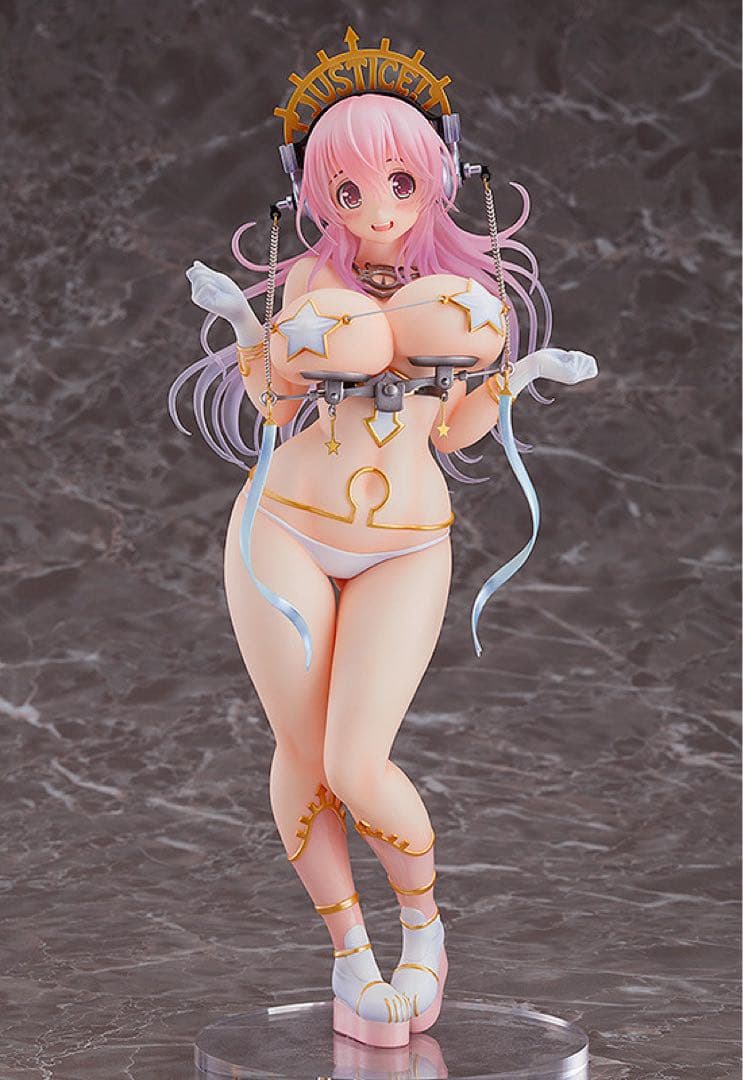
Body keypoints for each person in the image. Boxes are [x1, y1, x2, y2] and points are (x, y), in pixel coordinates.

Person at [170, 53, 597, 1049]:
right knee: (301, 752)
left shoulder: (462, 295)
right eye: (348, 189)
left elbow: (452, 431)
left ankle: (423, 928)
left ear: (437, 178)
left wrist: (525, 369)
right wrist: (238, 318)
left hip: (404, 544)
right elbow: (273, 403)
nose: (375, 209)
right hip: (282, 525)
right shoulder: (309, 281)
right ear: (315, 189)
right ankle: (349, 955)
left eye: (398, 183)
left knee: (355, 759)